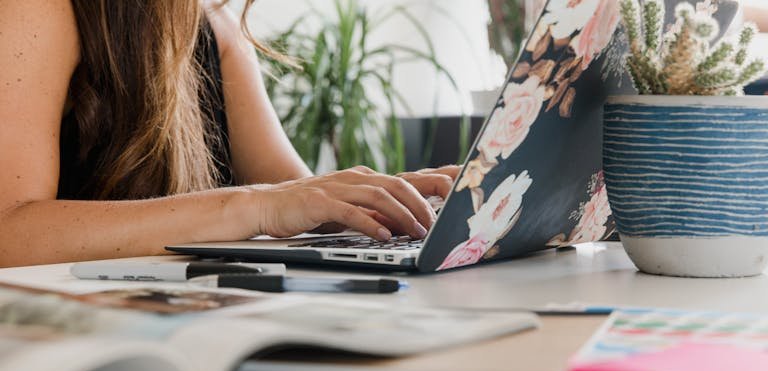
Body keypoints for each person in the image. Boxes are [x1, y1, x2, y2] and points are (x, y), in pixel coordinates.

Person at [0, 0, 459, 268]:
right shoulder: (38, 9)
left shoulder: (213, 27)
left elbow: (301, 197)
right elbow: (8, 227)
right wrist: (255, 204)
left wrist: (389, 202)